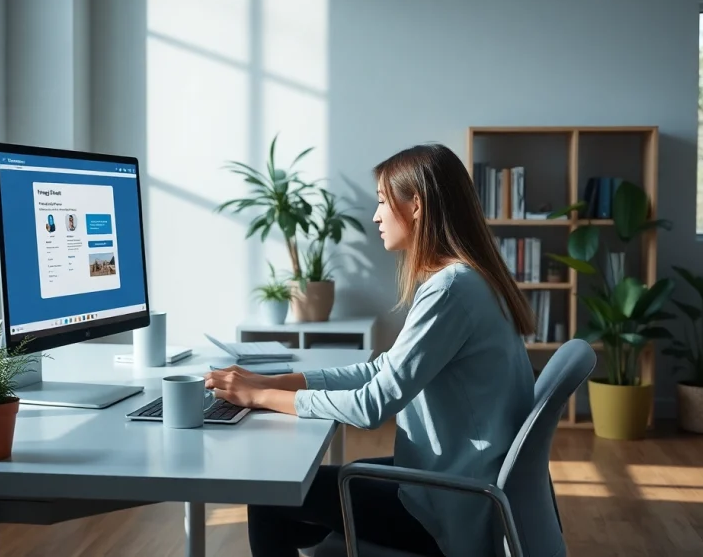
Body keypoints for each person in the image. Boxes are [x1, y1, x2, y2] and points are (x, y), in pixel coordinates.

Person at [205, 143, 542, 557]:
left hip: (445, 507)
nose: (376, 216)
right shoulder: (469, 279)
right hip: (453, 482)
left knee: (270, 496)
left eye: (382, 201)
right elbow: (381, 370)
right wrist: (269, 382)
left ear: (415, 205)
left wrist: (259, 397)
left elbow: (371, 406)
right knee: (294, 499)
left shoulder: (452, 289)